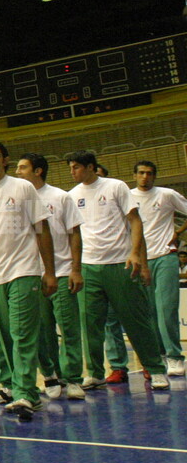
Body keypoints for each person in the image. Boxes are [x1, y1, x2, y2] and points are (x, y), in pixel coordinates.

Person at [66, 150, 169, 389]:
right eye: (71, 167)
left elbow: (134, 220)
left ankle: (155, 369)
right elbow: (74, 234)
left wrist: (135, 254)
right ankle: (94, 372)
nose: (72, 172)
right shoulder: (71, 196)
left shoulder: (115, 187)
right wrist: (75, 267)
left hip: (120, 264)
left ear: (90, 167)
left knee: (137, 321)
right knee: (90, 324)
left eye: (76, 167)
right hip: (89, 267)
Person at [0, 142, 56, 421]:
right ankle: (13, 386)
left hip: (24, 270)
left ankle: (26, 392)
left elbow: (42, 230)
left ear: (5, 160)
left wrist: (49, 270)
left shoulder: (22, 188)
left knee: (22, 333)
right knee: (1, 337)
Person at [16, 153, 88, 398]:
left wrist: (76, 269)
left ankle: (73, 378)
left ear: (38, 171)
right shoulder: (18, 199)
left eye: (22, 167)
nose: (17, 172)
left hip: (62, 271)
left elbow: (74, 234)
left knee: (68, 329)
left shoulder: (60, 197)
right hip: (30, 274)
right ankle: (50, 375)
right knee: (40, 331)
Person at [124, 161, 187, 377]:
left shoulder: (167, 195)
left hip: (165, 257)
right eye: (141, 173)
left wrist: (178, 231)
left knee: (166, 309)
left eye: (149, 173)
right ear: (134, 175)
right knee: (147, 311)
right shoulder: (127, 196)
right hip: (139, 260)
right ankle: (157, 354)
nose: (145, 177)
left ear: (154, 176)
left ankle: (175, 356)